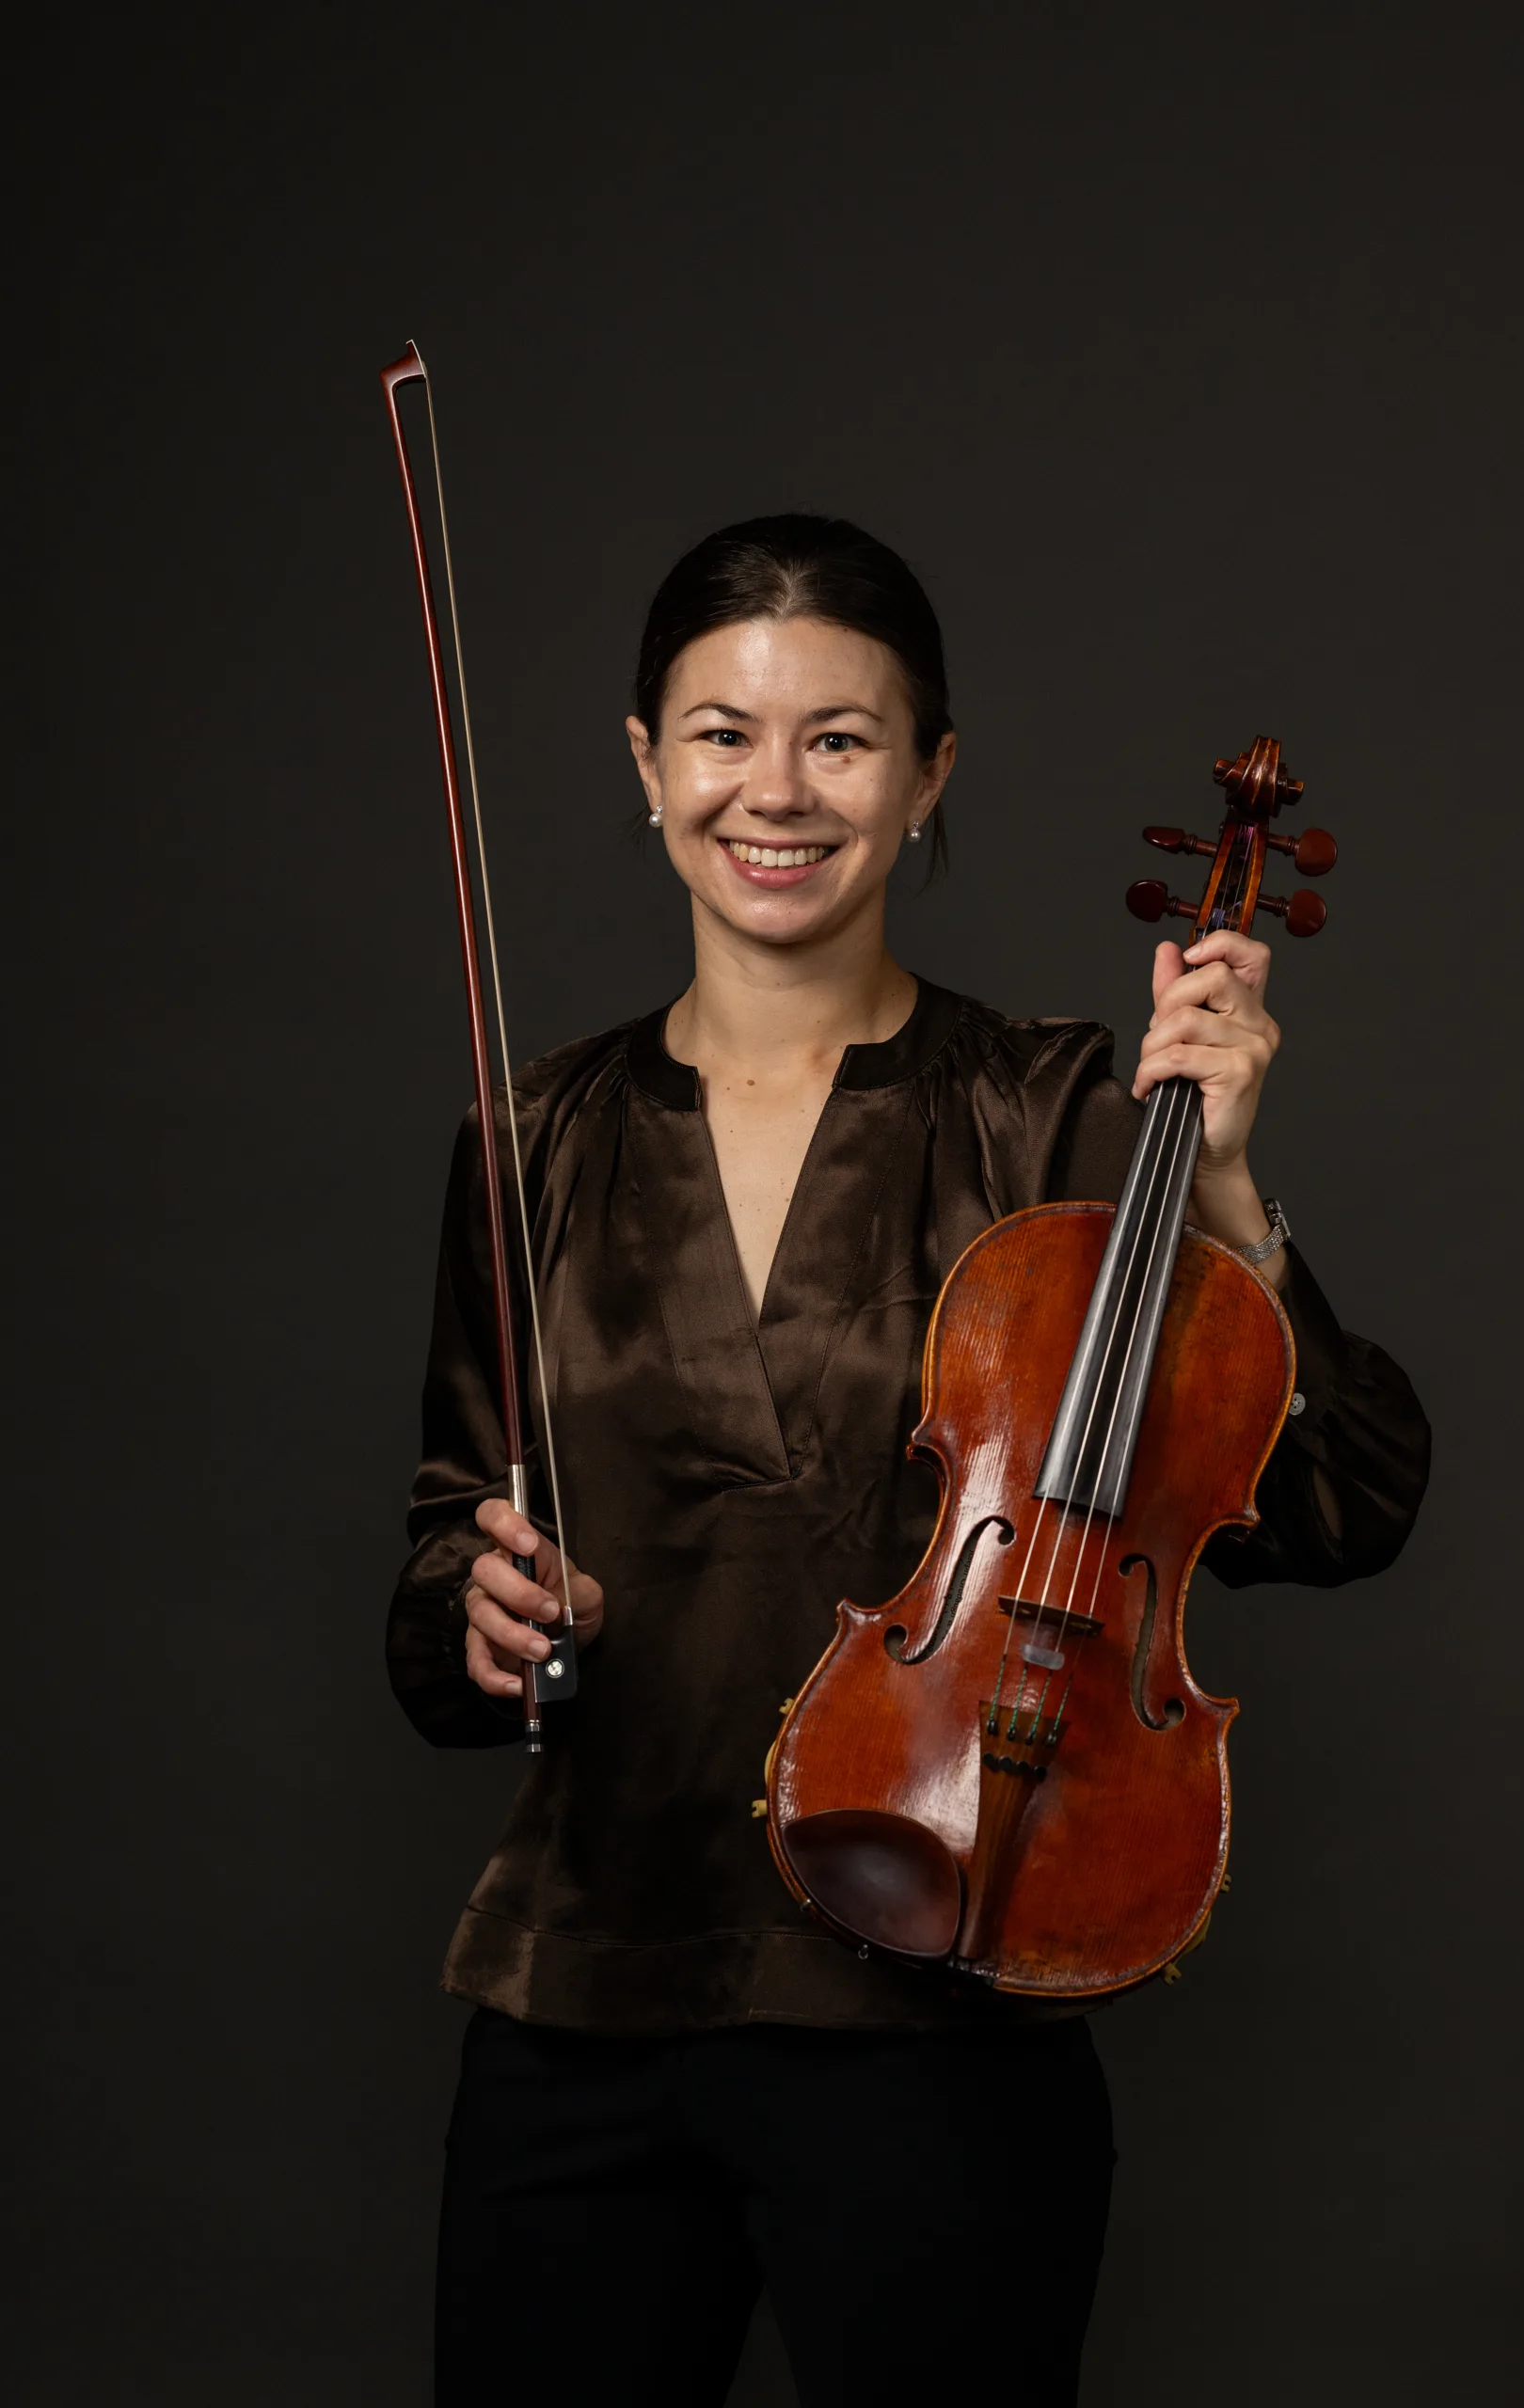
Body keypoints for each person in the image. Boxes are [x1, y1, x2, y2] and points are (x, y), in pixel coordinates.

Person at [388, 516, 1429, 2406]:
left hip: (944, 1998)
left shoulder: (1055, 1112)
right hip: (582, 1994)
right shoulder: (530, 1135)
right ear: (644, 763)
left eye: (841, 738)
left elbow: (1344, 1500)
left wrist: (1221, 1190)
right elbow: (438, 1582)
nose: (774, 791)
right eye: (722, 733)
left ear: (929, 771)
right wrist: (476, 1608)